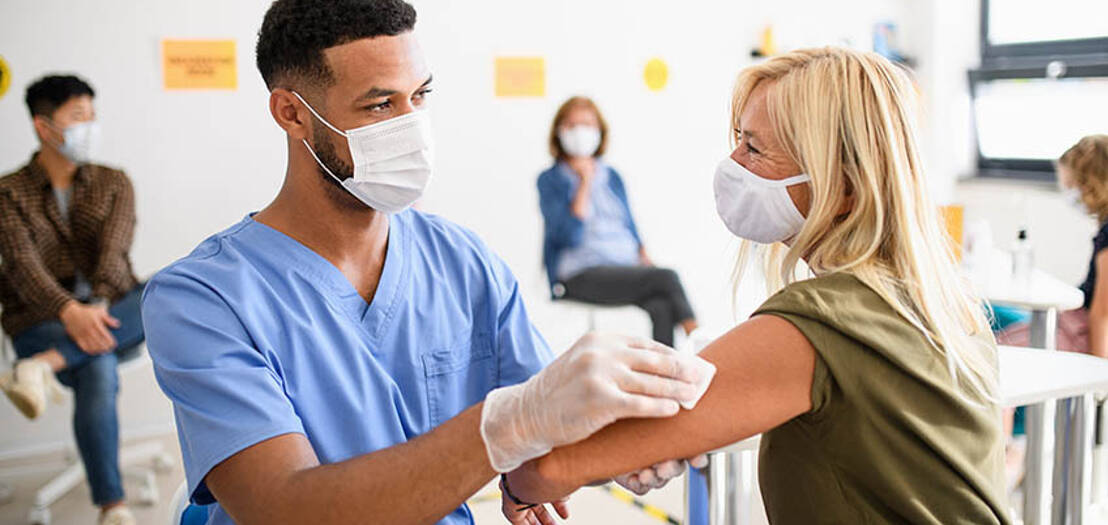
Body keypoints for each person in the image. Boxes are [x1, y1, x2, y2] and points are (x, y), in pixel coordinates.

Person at [140, 2, 713, 525]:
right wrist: (509, 428)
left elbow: (545, 439)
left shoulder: (464, 263)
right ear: (292, 114)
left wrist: (618, 442)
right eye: (380, 104)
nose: (410, 125)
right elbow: (285, 507)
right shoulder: (202, 299)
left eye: (420, 96)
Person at [503, 47, 1011, 524]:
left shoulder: (819, 324)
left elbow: (552, 467)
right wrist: (669, 431)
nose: (733, 165)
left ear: (843, 185)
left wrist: (521, 480)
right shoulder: (949, 303)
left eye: (754, 147)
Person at [0, 75, 145, 525]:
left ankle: (43, 366)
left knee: (166, 289)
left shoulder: (114, 182)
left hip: (110, 309)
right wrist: (68, 311)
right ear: (44, 127)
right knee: (98, 364)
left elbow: (115, 253)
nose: (90, 127)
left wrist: (95, 307)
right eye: (79, 117)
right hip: (38, 319)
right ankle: (113, 506)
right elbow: (22, 267)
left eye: (92, 116)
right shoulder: (7, 193)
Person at [538, 96, 698, 346]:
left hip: (624, 267)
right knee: (666, 277)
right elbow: (568, 236)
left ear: (599, 131)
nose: (580, 132)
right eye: (572, 125)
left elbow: (628, 223)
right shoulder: (550, 180)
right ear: (559, 132)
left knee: (661, 305)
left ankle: (663, 369)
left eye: (587, 125)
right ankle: (702, 344)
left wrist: (643, 255)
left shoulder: (612, 176)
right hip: (579, 275)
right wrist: (583, 183)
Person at [998, 135, 1108, 357]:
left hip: (1079, 332)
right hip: (1070, 321)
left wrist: (1100, 371)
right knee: (992, 315)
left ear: (1089, 184)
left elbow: (1102, 315)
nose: (1069, 192)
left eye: (1071, 185)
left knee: (992, 343)